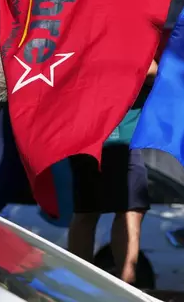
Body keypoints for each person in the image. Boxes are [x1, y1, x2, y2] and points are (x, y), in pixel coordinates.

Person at [67, 59, 158, 286]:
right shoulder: (123, 30)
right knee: (129, 208)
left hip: (88, 135)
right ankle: (126, 285)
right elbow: (151, 69)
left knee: (89, 210)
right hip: (111, 137)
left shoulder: (84, 31)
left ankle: (80, 285)